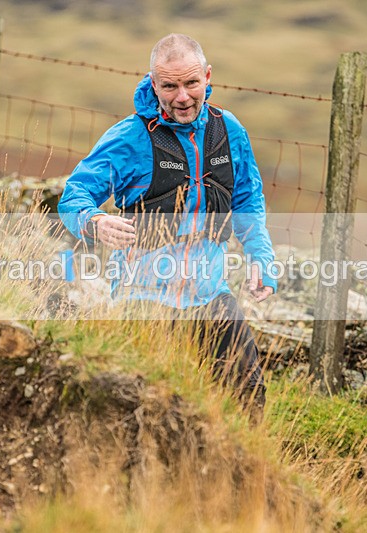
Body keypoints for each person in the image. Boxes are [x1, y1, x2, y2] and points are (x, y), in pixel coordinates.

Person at [58, 33, 276, 413]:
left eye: (192, 83)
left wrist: (261, 257)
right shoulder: (130, 137)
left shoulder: (230, 131)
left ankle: (234, 473)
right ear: (153, 83)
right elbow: (74, 195)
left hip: (211, 293)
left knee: (247, 397)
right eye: (170, 86)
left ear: (207, 77)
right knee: (151, 405)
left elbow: (247, 199)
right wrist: (94, 222)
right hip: (143, 298)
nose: (182, 97)